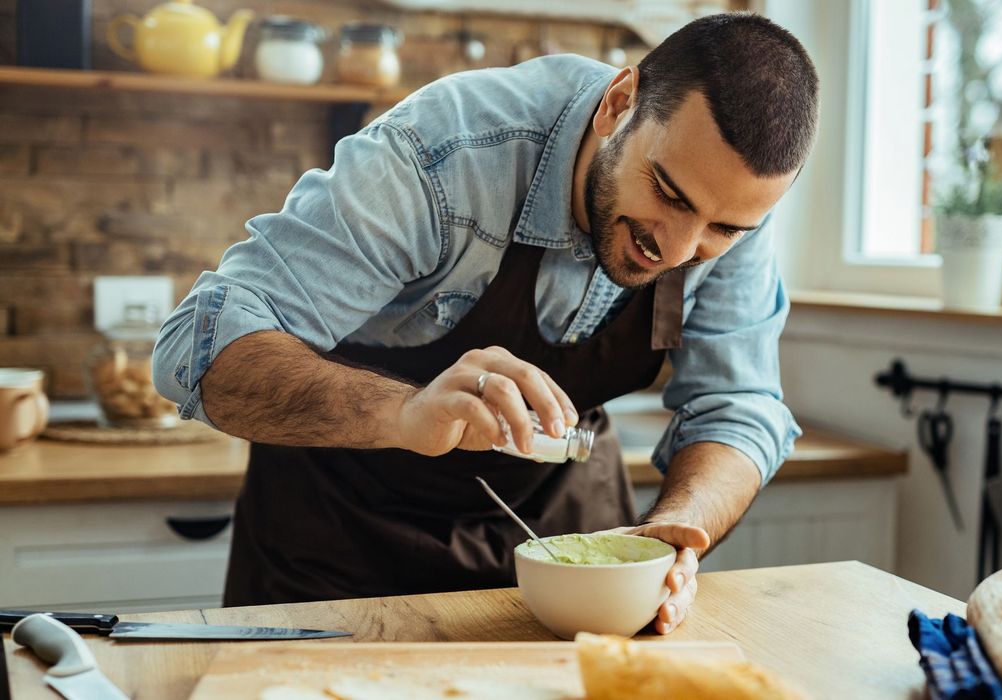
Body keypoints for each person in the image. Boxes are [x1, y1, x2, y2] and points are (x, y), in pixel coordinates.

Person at [152, 12, 818, 635]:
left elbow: (738, 406)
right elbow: (196, 347)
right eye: (668, 196)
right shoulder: (447, 153)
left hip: (562, 541)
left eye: (723, 229)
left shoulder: (728, 200)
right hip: (339, 545)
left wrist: (678, 527)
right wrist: (407, 413)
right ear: (620, 104)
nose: (678, 251)